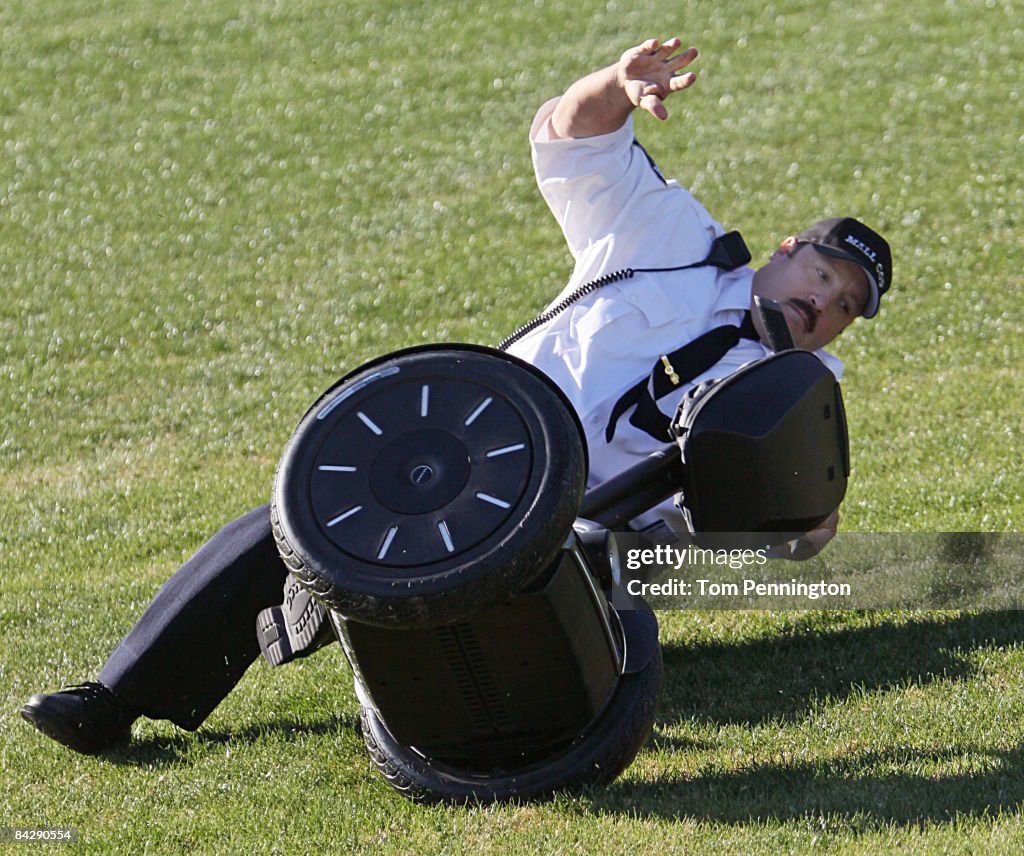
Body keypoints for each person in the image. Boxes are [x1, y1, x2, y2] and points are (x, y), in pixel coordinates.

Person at [21, 36, 892, 756]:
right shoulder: (672, 236)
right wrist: (617, 86)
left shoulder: (798, 397)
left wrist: (769, 537)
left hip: (578, 545)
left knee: (521, 608)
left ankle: (416, 657)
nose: (826, 303)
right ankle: (110, 702)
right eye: (825, 273)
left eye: (847, 306)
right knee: (282, 524)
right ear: (785, 249)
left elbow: (801, 535)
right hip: (466, 453)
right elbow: (569, 137)